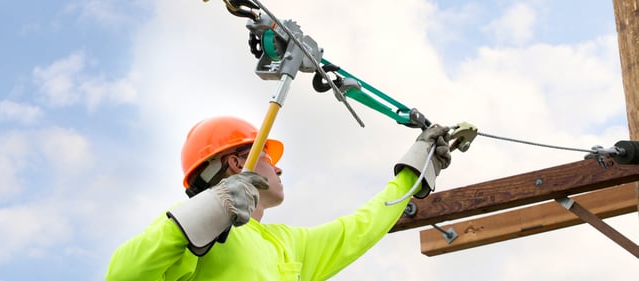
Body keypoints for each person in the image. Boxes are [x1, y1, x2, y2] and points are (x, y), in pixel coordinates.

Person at [105, 116, 451, 280]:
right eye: (270, 157)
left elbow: (360, 227)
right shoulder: (189, 229)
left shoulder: (287, 243)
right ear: (238, 163)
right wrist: (206, 213)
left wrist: (413, 173)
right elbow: (125, 275)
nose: (279, 170)